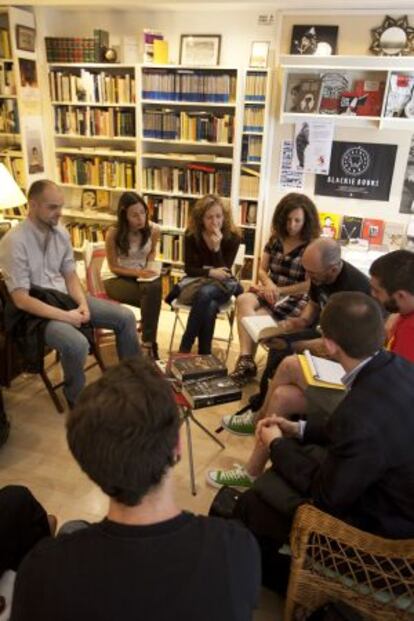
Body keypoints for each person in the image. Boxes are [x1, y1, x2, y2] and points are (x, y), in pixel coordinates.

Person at [11, 358, 261, 621]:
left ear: (88, 467)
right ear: (177, 446)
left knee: (73, 528)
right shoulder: (236, 548)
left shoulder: (42, 570)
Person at [218, 293, 414, 589]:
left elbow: (326, 496)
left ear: (331, 344)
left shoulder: (360, 413)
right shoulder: (398, 367)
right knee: (294, 453)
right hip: (391, 492)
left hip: (384, 539)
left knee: (251, 504)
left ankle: (258, 580)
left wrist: (274, 444)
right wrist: (297, 429)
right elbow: (348, 433)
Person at [215, 238, 371, 443]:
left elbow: (335, 347)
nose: (308, 277)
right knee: (278, 342)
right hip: (323, 331)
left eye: (312, 273)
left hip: (341, 348)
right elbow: (312, 309)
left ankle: (260, 414)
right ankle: (261, 407)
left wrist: (291, 343)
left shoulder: (354, 291)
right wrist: (294, 323)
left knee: (283, 350)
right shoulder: (319, 276)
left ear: (333, 270)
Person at [0, 180, 140, 408]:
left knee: (125, 317)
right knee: (76, 344)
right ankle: (76, 397)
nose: (59, 213)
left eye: (61, 206)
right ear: (32, 205)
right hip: (36, 314)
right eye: (52, 207)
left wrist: (82, 303)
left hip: (65, 298)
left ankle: (132, 381)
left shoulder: (61, 232)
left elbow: (70, 275)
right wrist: (69, 317)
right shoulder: (13, 242)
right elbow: (21, 300)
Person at [230, 193, 320, 385]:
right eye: (288, 220)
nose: (292, 225)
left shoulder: (311, 246)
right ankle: (246, 359)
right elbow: (262, 269)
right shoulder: (275, 239)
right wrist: (270, 285)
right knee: (243, 300)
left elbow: (309, 285)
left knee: (256, 319)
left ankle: (246, 365)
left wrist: (280, 291)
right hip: (269, 290)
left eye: (297, 220)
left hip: (294, 297)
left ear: (307, 221)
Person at [178, 194, 241, 355]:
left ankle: (185, 346)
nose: (215, 222)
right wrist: (211, 272)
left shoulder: (233, 238)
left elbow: (225, 273)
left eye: (218, 216)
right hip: (198, 283)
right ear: (200, 219)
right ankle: (204, 354)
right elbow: (189, 269)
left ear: (224, 217)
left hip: (223, 286)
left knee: (206, 293)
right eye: (209, 217)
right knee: (210, 305)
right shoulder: (191, 235)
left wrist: (217, 248)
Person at [101, 192, 162, 360]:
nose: (140, 218)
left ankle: (147, 344)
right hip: (115, 278)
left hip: (140, 275)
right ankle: (149, 345)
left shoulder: (154, 230)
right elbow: (113, 267)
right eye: (134, 215)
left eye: (143, 212)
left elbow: (152, 251)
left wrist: (150, 266)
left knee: (154, 288)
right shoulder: (113, 233)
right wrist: (139, 273)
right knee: (153, 297)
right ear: (124, 215)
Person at [370, 249, 414, 363]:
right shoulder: (405, 311)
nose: (373, 294)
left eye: (377, 291)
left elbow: (398, 378)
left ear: (401, 296)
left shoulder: (409, 332)